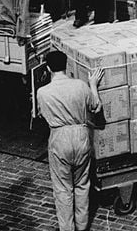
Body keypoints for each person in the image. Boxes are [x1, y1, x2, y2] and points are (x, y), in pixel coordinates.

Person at [37, 50, 104, 231]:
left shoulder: (43, 93)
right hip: (81, 136)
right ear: (66, 65)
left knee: (62, 189)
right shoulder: (81, 86)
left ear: (49, 67)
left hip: (59, 138)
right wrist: (93, 85)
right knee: (82, 184)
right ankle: (82, 227)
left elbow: (42, 116)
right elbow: (96, 107)